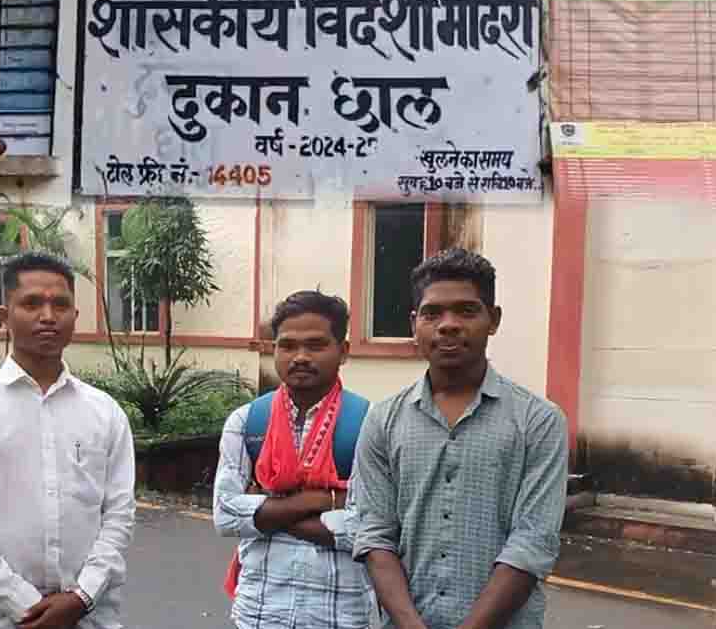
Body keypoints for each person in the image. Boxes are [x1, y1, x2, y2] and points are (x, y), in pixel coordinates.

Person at [352, 248, 568, 629]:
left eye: (467, 311)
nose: (448, 325)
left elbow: (532, 542)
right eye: (432, 313)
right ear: (414, 323)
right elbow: (375, 535)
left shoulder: (539, 421)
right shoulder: (383, 421)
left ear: (493, 320)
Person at [0, 252, 136, 629]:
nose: (48, 316)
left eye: (61, 305)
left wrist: (82, 596)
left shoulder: (105, 412)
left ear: (75, 315)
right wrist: (23, 603)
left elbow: (119, 514)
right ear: (4, 315)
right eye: (31, 303)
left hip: (90, 617)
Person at [214, 290, 374, 629]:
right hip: (259, 613)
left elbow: (367, 529)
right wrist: (325, 500)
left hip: (340, 615)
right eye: (287, 345)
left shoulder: (368, 423)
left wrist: (266, 511)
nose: (300, 357)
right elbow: (226, 516)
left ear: (343, 351)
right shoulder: (247, 422)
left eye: (315, 345)